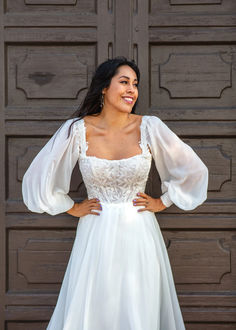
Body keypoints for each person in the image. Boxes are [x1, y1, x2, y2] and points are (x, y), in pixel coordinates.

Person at [22, 56, 208, 330]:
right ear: (104, 88)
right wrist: (70, 207)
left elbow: (194, 170)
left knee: (138, 306)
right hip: (95, 234)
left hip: (140, 234)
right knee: (96, 306)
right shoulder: (76, 130)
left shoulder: (150, 127)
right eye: (124, 82)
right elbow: (37, 178)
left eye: (135, 84)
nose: (132, 89)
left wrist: (164, 201)